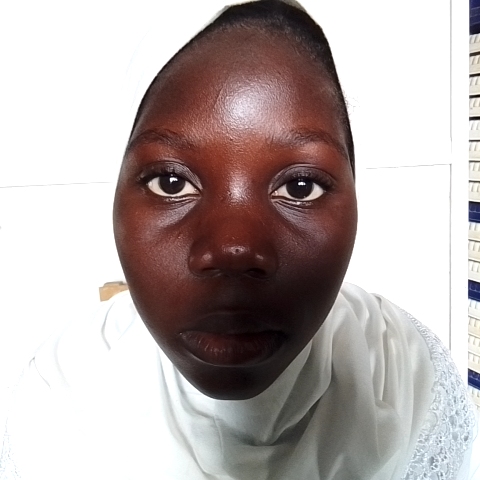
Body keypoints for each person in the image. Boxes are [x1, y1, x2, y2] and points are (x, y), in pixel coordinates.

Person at [1, 1, 479, 478]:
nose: (234, 248)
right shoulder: (55, 404)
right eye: (171, 182)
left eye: (300, 187)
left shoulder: (409, 382)